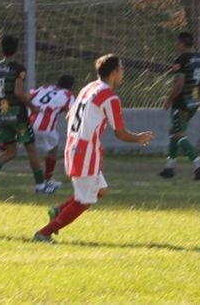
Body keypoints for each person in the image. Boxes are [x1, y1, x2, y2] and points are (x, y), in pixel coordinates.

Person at [33, 54, 153, 242]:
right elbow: (120, 133)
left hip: (75, 146)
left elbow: (69, 115)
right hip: (85, 151)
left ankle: (57, 211)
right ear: (114, 72)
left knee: (101, 191)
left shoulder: (88, 88)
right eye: (121, 69)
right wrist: (138, 138)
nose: (123, 73)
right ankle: (44, 232)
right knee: (85, 200)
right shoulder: (110, 97)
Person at [0, 36, 52, 194]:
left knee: (10, 151)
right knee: (31, 149)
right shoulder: (18, 69)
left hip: (1, 116)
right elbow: (18, 93)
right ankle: (40, 185)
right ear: (17, 49)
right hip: (17, 116)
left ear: (1, 49)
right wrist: (32, 107)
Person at [158, 32, 200, 180]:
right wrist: (197, 85)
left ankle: (198, 164)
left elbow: (179, 83)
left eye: (178, 43)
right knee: (175, 131)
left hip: (181, 101)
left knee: (179, 134)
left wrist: (169, 99)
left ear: (182, 43)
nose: (177, 45)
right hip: (194, 101)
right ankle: (170, 167)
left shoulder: (181, 60)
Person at [29, 75, 75, 191]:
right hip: (45, 127)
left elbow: (28, 97)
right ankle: (47, 180)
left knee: (22, 150)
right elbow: (70, 115)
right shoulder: (68, 95)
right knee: (53, 150)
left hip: (27, 123)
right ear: (71, 87)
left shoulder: (44, 88)